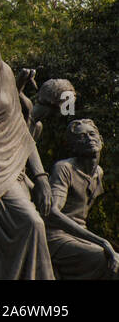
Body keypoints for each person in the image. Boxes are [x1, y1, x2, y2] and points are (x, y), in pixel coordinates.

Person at [0, 12, 55, 280]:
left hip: (9, 170)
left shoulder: (5, 72)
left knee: (33, 223)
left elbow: (19, 130)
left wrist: (40, 176)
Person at [45, 119, 119, 279]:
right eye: (82, 136)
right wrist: (103, 242)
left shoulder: (99, 173)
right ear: (72, 146)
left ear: (101, 140)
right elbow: (52, 212)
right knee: (103, 257)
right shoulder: (64, 169)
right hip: (57, 237)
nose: (89, 139)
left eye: (92, 134)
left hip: (80, 235)